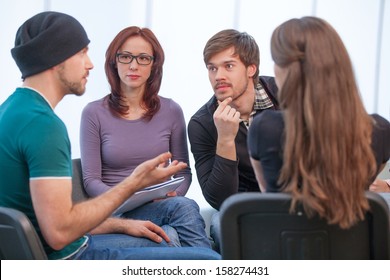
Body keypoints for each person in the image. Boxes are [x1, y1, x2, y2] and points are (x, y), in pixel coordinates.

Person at [0, 11, 220, 260]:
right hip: (73, 257)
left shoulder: (10, 112)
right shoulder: (43, 126)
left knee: (174, 233)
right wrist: (135, 183)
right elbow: (59, 232)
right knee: (208, 260)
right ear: (55, 57)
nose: (90, 64)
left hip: (74, 243)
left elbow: (57, 221)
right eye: (82, 52)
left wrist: (123, 225)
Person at [248, 16, 390, 229]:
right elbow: (366, 184)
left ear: (285, 69)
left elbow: (267, 193)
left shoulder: (264, 127)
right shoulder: (379, 130)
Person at [79, 26, 211, 248]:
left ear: (154, 65)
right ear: (114, 61)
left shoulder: (171, 110)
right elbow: (90, 180)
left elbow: (183, 171)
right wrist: (124, 194)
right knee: (175, 226)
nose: (133, 65)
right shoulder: (93, 113)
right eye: (126, 56)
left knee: (179, 210)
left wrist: (171, 194)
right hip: (115, 210)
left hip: (158, 205)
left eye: (143, 58)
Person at [187, 29, 279, 251]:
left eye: (228, 66)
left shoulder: (285, 93)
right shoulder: (202, 123)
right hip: (246, 208)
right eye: (212, 68)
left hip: (295, 198)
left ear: (251, 68)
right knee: (221, 224)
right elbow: (220, 201)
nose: (218, 76)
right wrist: (226, 140)